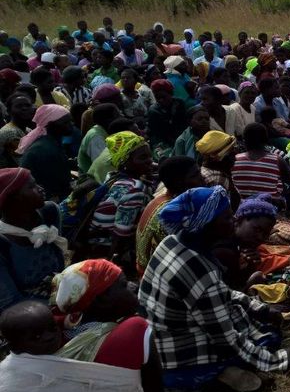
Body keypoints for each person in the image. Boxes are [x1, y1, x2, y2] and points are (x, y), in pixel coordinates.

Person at [138, 186, 290, 392]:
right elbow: (226, 339)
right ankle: (219, 376)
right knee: (268, 337)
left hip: (155, 343)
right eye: (227, 219)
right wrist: (277, 361)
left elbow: (220, 293)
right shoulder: (199, 270)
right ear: (206, 224)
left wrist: (258, 307)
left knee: (251, 315)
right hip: (179, 353)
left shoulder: (172, 242)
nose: (233, 222)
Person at [50, 259, 171, 392]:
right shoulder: (134, 330)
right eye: (124, 284)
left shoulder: (58, 331)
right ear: (101, 300)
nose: (134, 286)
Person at [0, 300, 152, 392]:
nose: (49, 337)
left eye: (53, 328)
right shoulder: (15, 374)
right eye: (37, 336)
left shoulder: (78, 343)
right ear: (14, 346)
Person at [84, 132, 155, 270]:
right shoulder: (136, 189)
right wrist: (109, 264)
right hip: (104, 245)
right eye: (143, 158)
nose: (150, 161)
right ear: (125, 162)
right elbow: (120, 233)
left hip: (93, 238)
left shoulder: (114, 177)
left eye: (149, 156)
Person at [0, 168, 65, 311]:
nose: (41, 189)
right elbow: (9, 304)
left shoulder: (49, 212)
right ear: (13, 200)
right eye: (32, 187)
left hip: (62, 293)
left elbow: (61, 260)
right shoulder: (3, 243)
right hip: (30, 315)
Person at [136, 156, 206, 276]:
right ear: (180, 183)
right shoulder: (173, 212)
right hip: (155, 276)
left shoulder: (161, 198)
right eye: (195, 175)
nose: (202, 178)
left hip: (147, 269)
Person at [17, 105, 74, 201]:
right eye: (66, 122)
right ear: (50, 125)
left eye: (70, 121)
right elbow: (58, 188)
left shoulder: (50, 142)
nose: (71, 124)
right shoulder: (46, 149)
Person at [147, 79, 186, 160]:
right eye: (157, 97)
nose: (161, 100)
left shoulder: (179, 104)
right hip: (162, 141)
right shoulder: (154, 110)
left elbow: (184, 124)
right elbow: (159, 133)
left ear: (170, 94)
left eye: (163, 97)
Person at [78, 102, 119, 175]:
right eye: (117, 116)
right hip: (93, 179)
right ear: (107, 120)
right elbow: (104, 166)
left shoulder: (105, 130)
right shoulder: (96, 137)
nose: (121, 117)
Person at [0, 93, 34, 168]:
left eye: (28, 105)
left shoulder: (28, 130)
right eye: (19, 106)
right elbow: (24, 164)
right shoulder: (11, 133)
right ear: (9, 111)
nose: (24, 108)